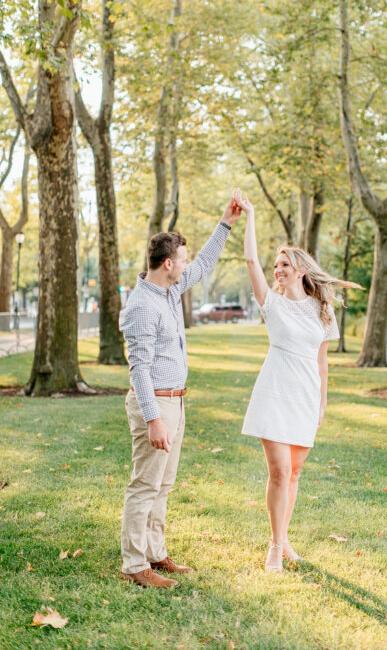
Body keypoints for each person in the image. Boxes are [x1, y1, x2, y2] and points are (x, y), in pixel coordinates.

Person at [119, 195, 242, 588]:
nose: (187, 266)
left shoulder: (170, 290)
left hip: (176, 400)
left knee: (164, 484)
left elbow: (203, 263)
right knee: (145, 484)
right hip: (154, 404)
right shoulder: (141, 305)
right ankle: (134, 564)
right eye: (182, 260)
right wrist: (154, 419)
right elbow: (138, 367)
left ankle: (155, 553)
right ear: (168, 263)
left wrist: (225, 223)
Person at [235, 190, 361, 571]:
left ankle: (284, 538)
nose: (278, 269)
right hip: (274, 392)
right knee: (278, 471)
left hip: (305, 397)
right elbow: (250, 259)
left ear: (301, 270)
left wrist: (322, 403)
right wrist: (251, 215)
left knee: (295, 472)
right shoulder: (271, 304)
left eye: (285, 264)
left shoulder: (322, 309)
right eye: (277, 265)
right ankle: (275, 546)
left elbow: (322, 364)